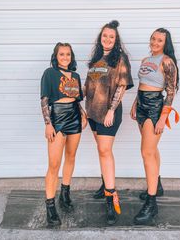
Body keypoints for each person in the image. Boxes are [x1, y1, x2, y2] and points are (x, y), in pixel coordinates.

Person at [84, 20, 134, 225]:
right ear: (100, 38)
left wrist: (112, 110)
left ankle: (111, 197)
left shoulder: (120, 58)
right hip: (93, 113)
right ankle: (105, 182)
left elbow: (122, 86)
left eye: (111, 37)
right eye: (104, 36)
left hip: (108, 114)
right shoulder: (96, 59)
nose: (107, 39)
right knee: (101, 150)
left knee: (105, 151)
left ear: (116, 40)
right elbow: (89, 87)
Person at [130, 28, 179, 225]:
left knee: (146, 152)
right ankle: (156, 185)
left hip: (155, 107)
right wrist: (135, 105)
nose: (155, 42)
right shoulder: (145, 60)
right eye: (153, 38)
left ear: (165, 43)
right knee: (152, 149)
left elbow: (170, 92)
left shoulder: (167, 62)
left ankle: (151, 204)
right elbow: (142, 84)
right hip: (142, 104)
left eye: (159, 40)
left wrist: (162, 118)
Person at [40, 42, 87, 227]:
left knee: (71, 156)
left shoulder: (75, 75)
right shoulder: (49, 73)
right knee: (53, 163)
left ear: (71, 57)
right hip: (57, 117)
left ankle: (65, 194)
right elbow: (44, 100)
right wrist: (48, 124)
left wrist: (83, 114)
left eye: (68, 54)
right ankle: (50, 206)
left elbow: (77, 100)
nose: (65, 57)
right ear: (56, 56)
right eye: (62, 54)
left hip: (74, 116)